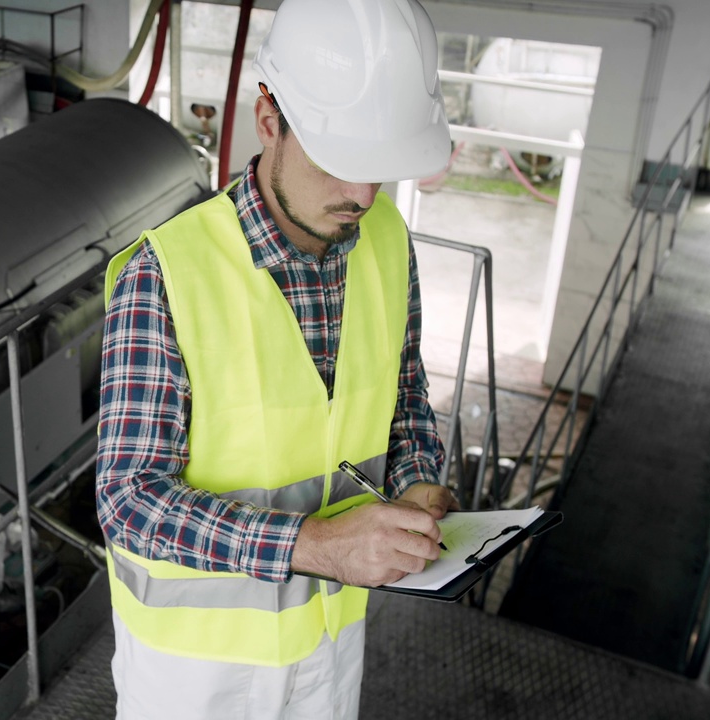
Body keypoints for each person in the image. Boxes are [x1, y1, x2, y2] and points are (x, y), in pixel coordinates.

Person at [95, 0, 458, 716]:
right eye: (340, 160)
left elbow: (405, 396)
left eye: (377, 167)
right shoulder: (167, 273)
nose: (362, 195)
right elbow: (129, 500)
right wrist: (315, 544)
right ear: (269, 122)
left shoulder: (386, 241)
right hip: (194, 675)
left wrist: (418, 482)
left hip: (329, 644)